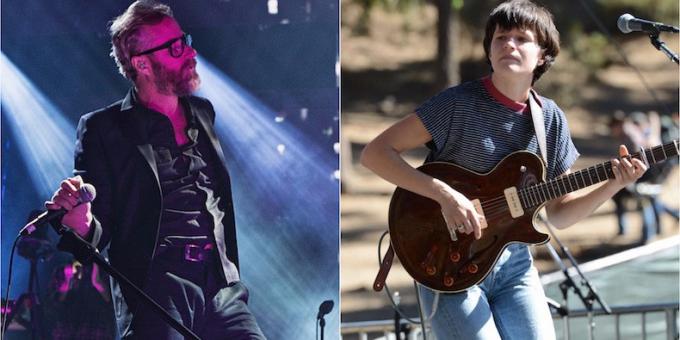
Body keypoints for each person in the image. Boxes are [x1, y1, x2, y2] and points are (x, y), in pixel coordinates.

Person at [360, 1, 647, 339]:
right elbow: (375, 153)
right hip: (447, 264)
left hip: (514, 266)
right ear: (490, 49)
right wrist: (444, 195)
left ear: (542, 55)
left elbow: (560, 215)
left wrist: (613, 184)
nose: (509, 44)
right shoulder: (457, 104)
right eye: (500, 38)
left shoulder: (550, 119)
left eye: (521, 39)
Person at [45, 1, 265, 338]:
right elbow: (96, 224)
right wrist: (82, 223)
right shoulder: (105, 129)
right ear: (142, 64)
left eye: (185, 40)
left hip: (222, 285)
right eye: (175, 47)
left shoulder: (203, 113)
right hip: (159, 289)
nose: (189, 53)